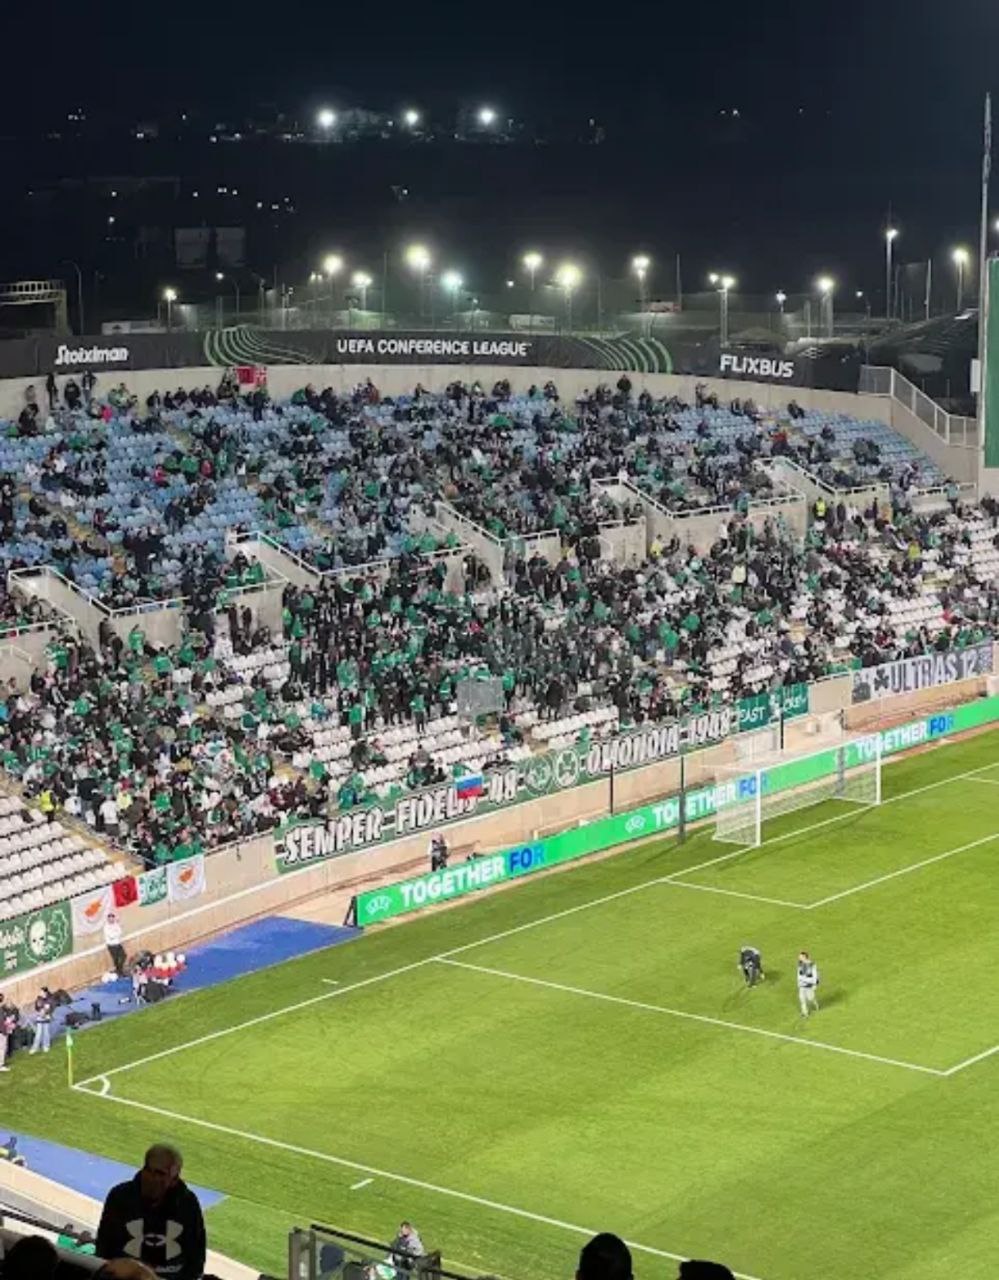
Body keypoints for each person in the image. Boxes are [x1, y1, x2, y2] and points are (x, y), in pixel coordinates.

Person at [96, 1143, 206, 1280]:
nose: (152, 1178)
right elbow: (104, 1246)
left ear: (174, 1180)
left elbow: (196, 1255)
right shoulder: (120, 1197)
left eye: (160, 1173)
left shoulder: (188, 1204)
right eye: (148, 1170)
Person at [29, 986, 54, 1054]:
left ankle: (46, 1046)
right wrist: (40, 1011)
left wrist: (46, 1012)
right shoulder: (38, 999)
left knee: (46, 1033)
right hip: (39, 1018)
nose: (40, 993)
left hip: (46, 1018)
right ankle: (35, 1048)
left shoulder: (50, 999)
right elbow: (36, 1007)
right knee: (38, 1033)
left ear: (45, 992)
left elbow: (52, 1008)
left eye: (41, 991)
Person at [797, 949, 820, 1017]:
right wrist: (798, 982)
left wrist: (815, 984)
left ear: (804, 957)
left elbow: (815, 975)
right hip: (802, 985)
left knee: (810, 998)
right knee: (802, 999)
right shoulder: (800, 964)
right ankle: (805, 1013)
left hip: (809, 985)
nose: (799, 957)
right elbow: (798, 974)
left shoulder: (812, 964)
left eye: (800, 956)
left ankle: (816, 1004)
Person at [105, 911, 127, 976]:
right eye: (110, 918)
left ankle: (120, 969)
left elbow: (120, 932)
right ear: (108, 919)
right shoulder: (106, 927)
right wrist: (116, 933)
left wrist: (116, 933)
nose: (111, 919)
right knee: (116, 959)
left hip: (118, 943)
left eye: (112, 918)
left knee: (124, 956)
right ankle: (119, 971)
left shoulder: (116, 924)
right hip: (112, 945)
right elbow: (111, 936)